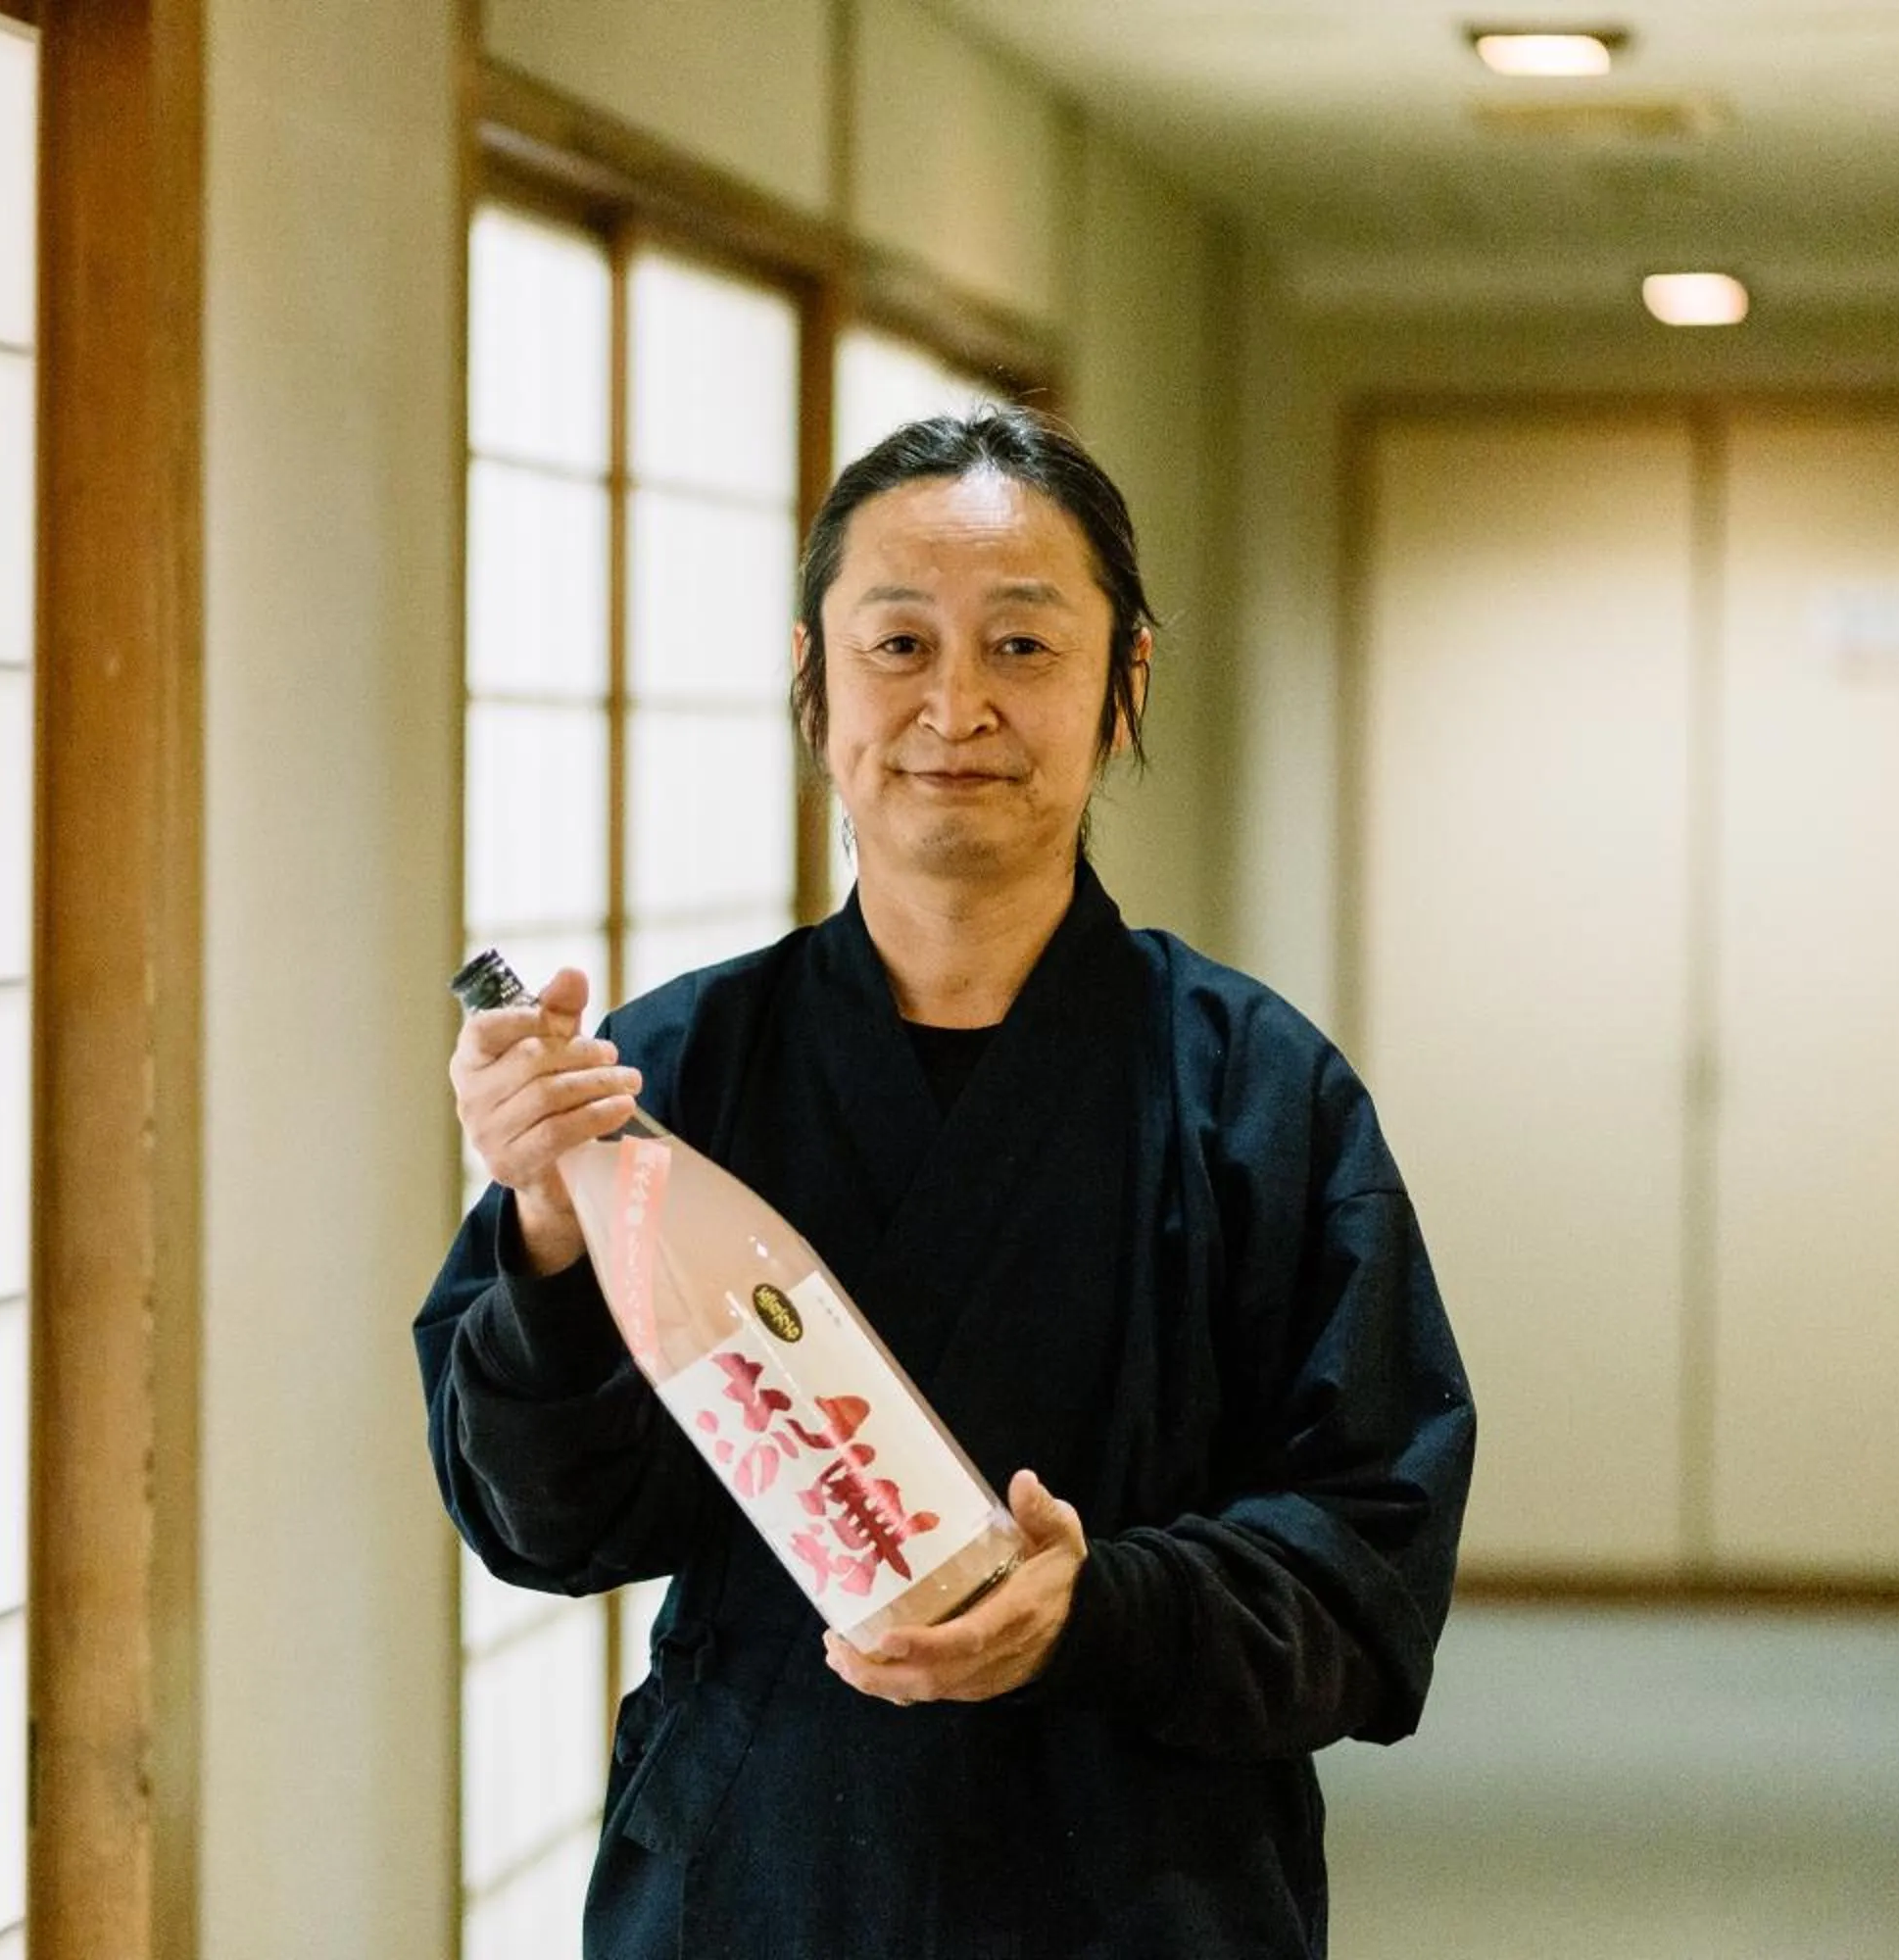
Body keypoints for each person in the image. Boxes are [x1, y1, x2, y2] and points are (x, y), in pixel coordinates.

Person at [414, 405, 1475, 1958]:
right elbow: (545, 1531)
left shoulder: (1258, 1093)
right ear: (812, 681)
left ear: (1127, 687)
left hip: (1146, 1887)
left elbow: (1374, 1563)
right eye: (897, 645)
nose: (956, 704)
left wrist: (1097, 1609)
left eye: (1025, 648)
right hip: (763, 1881)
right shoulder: (669, 1076)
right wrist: (553, 1241)